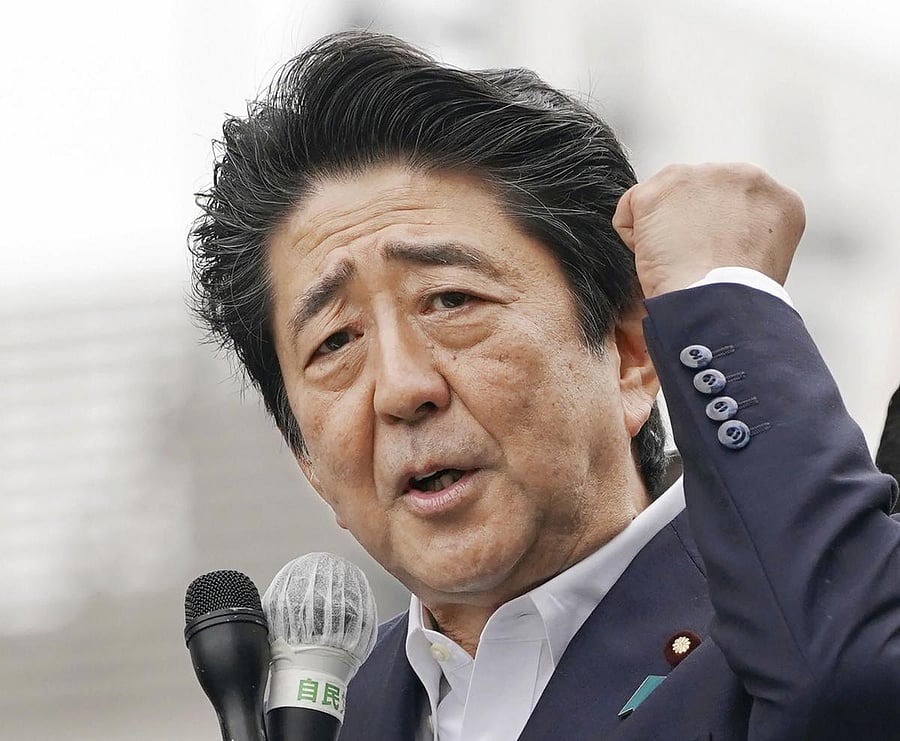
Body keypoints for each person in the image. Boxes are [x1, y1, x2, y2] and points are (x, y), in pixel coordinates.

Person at [189, 31, 900, 740]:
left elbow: (857, 689)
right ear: (305, 457)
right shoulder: (334, 719)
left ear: (629, 351)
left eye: (450, 300)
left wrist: (721, 298)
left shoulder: (787, 641)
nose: (403, 388)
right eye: (337, 342)